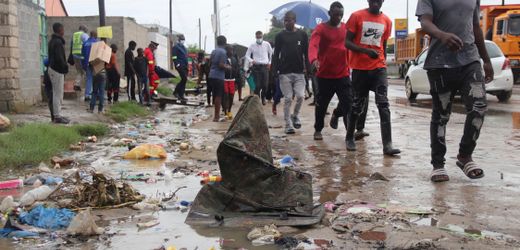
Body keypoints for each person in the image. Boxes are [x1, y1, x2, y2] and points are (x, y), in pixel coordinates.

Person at [416, 0, 492, 182]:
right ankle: (438, 164)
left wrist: (486, 60)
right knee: (441, 116)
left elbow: (475, 27)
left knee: (479, 107)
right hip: (439, 62)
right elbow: (425, 22)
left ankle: (465, 156)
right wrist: (442, 35)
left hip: (470, 60)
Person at [345, 0, 401, 156]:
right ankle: (350, 137)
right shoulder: (356, 16)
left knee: (383, 104)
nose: (375, 3)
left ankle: (387, 145)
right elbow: (347, 42)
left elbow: (382, 44)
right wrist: (365, 51)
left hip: (379, 68)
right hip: (360, 69)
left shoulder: (387, 21)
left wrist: (381, 60)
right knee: (357, 105)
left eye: (378, 0)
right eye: (373, 0)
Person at [308, 2, 352, 141]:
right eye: (336, 14)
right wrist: (314, 60)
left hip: (343, 74)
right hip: (325, 75)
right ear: (329, 13)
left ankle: (349, 134)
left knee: (348, 104)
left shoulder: (346, 29)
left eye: (341, 15)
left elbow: (353, 45)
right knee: (321, 105)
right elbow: (313, 45)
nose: (338, 17)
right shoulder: (321, 28)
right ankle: (318, 129)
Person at [272, 11, 310, 134]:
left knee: (300, 96)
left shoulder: (302, 35)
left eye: (290, 20)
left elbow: (306, 54)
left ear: (295, 20)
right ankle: (288, 124)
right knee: (288, 98)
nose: (288, 22)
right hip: (284, 72)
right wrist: (274, 70)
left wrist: (308, 69)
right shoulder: (280, 36)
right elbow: (276, 54)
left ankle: (295, 115)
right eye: (286, 20)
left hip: (299, 72)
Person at [48, 22, 69, 124]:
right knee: (58, 94)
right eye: (63, 29)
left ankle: (57, 115)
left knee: (57, 93)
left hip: (54, 69)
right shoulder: (57, 42)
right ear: (60, 30)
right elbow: (59, 58)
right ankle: (57, 116)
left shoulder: (53, 41)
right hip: (57, 70)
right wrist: (65, 67)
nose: (64, 31)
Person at [245, 31, 273, 105]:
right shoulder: (252, 45)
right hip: (256, 67)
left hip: (265, 67)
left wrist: (270, 63)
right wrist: (251, 60)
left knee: (265, 85)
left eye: (260, 37)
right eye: (257, 37)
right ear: (255, 37)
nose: (259, 38)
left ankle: (263, 97)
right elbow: (247, 55)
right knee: (257, 85)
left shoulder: (267, 44)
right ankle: (258, 99)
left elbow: (271, 53)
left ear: (262, 36)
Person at [208, 35, 232, 122]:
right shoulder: (223, 52)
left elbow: (210, 63)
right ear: (225, 42)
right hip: (218, 76)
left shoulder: (214, 51)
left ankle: (218, 114)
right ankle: (216, 117)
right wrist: (228, 67)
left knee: (217, 95)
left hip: (212, 75)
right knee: (219, 95)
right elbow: (221, 65)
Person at [71, 25, 89, 100]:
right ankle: (87, 90)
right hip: (81, 55)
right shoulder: (84, 35)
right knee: (85, 72)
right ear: (84, 30)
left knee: (79, 71)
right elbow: (87, 45)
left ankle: (77, 84)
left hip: (75, 54)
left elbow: (71, 44)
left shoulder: (74, 34)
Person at [89, 41, 107, 114]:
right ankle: (100, 109)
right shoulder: (104, 54)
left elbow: (90, 63)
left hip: (95, 74)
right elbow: (106, 64)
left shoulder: (93, 55)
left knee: (94, 92)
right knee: (102, 92)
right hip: (102, 74)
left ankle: (91, 108)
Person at [81, 31, 98, 107]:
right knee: (96, 79)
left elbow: (82, 55)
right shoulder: (96, 43)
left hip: (87, 63)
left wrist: (84, 65)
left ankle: (87, 95)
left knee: (89, 79)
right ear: (94, 35)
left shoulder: (85, 43)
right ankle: (94, 95)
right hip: (94, 63)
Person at [222, 45, 237, 119]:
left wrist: (237, 81)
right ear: (226, 51)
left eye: (232, 50)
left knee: (231, 96)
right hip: (224, 80)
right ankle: (225, 111)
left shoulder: (234, 59)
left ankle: (229, 111)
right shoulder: (223, 59)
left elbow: (236, 69)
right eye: (229, 50)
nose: (231, 52)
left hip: (232, 80)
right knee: (226, 95)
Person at [173, 34, 188, 100]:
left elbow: (185, 57)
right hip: (180, 65)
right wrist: (177, 64)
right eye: (182, 39)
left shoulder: (184, 48)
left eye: (183, 39)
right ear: (179, 40)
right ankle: (176, 91)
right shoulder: (176, 47)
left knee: (184, 80)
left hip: (185, 66)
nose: (183, 41)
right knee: (184, 79)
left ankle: (181, 95)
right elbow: (174, 56)